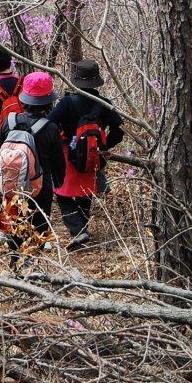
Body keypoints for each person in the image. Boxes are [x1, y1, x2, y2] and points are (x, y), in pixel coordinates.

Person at [0, 72, 66, 264]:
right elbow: (58, 163)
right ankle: (31, 266)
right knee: (38, 228)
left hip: (10, 184)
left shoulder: (9, 121)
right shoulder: (51, 128)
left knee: (14, 224)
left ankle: (15, 261)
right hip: (40, 187)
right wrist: (59, 182)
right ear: (49, 101)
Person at [48, 59, 124, 249]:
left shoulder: (66, 103)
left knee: (62, 193)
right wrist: (102, 147)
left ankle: (78, 230)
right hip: (93, 154)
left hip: (68, 154)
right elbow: (118, 131)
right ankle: (81, 227)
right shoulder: (104, 104)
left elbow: (49, 124)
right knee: (85, 191)